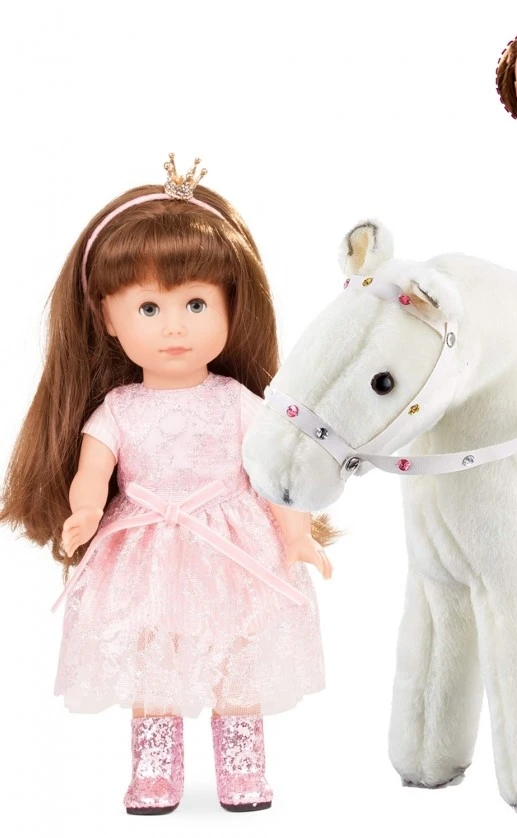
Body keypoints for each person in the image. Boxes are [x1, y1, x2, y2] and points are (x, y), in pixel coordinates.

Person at [0, 154, 335, 815]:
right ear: (107, 317)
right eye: (149, 307)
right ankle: (154, 771)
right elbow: (93, 472)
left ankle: (242, 767)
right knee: (153, 654)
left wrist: (297, 535)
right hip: (146, 549)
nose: (174, 326)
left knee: (238, 651)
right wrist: (84, 514)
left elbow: (274, 475)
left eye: (195, 304)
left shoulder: (238, 400)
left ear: (231, 307)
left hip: (234, 545)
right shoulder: (118, 409)